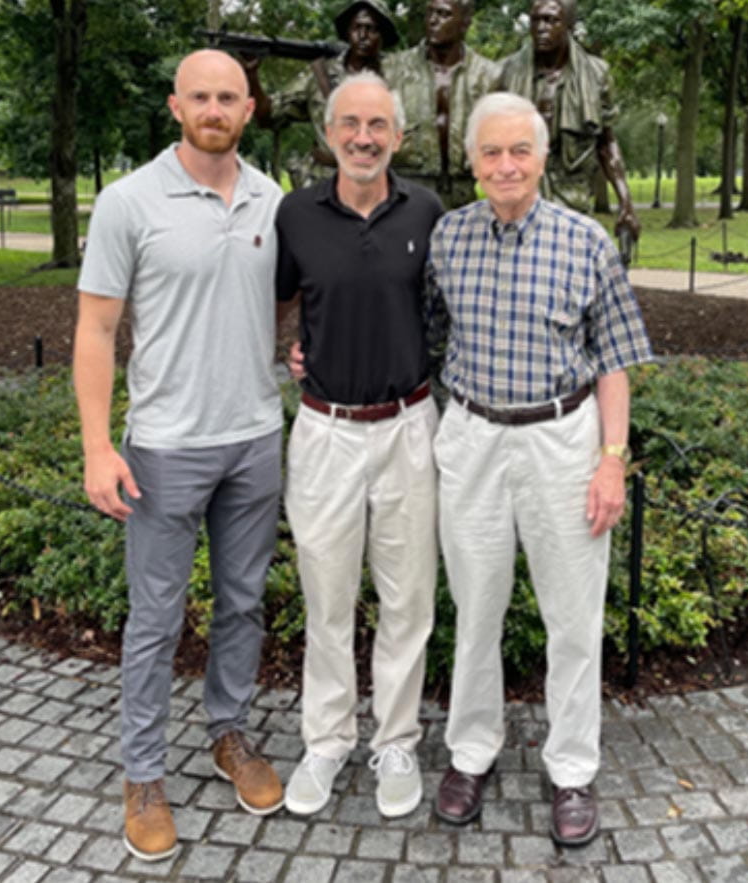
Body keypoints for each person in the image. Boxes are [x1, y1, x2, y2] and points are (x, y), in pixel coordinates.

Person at [73, 49, 285, 862]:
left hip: (256, 437)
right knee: (156, 617)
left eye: (228, 96)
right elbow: (94, 330)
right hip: (163, 446)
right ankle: (143, 771)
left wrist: (296, 355)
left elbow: (283, 301)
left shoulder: (273, 198)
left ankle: (227, 731)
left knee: (242, 601)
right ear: (175, 106)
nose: (214, 107)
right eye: (200, 95)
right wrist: (98, 445)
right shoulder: (129, 201)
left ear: (249, 108)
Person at [427, 92, 652, 846]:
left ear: (544, 157)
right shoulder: (448, 239)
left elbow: (617, 358)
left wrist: (611, 460)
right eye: (490, 152)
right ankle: (470, 753)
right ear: (471, 161)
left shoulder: (586, 240)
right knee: (476, 610)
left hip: (563, 439)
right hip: (471, 439)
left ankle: (572, 768)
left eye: (519, 150)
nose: (505, 164)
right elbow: (420, 335)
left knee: (573, 617)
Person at [275, 71, 442, 819]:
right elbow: (283, 298)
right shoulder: (296, 214)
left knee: (408, 600)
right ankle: (327, 739)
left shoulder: (431, 211)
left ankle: (396, 739)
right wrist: (293, 346)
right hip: (325, 432)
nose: (363, 137)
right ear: (329, 133)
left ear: (398, 136)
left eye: (377, 124)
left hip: (410, 427)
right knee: (327, 596)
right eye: (350, 123)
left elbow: (446, 306)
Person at [501, 0, 640, 244]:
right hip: (518, 199)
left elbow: (606, 143)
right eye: (536, 20)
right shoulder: (506, 72)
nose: (541, 28)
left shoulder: (596, 74)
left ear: (569, 25)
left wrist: (625, 201)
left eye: (551, 20)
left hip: (572, 201)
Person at [246, 0, 399, 185]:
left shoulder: (398, 77)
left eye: (371, 29)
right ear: (347, 32)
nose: (363, 36)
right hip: (324, 183)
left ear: (383, 36)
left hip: (378, 183)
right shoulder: (320, 74)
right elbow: (267, 115)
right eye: (356, 28)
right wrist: (251, 74)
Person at [383, 0, 501, 208]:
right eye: (429, 14)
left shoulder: (489, 76)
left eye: (443, 14)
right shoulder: (392, 70)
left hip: (467, 194)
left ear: (464, 22)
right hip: (406, 189)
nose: (433, 21)